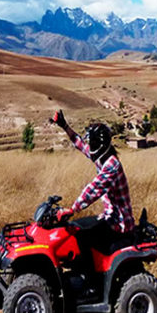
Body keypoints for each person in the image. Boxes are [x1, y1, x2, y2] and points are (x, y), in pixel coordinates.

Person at [49, 109, 136, 269]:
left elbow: (95, 188)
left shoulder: (112, 165)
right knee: (76, 228)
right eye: (91, 142)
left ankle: (90, 279)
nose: (90, 146)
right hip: (110, 217)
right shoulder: (101, 157)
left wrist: (72, 208)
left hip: (120, 223)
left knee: (81, 236)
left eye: (93, 143)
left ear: (101, 144)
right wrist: (64, 125)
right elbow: (80, 143)